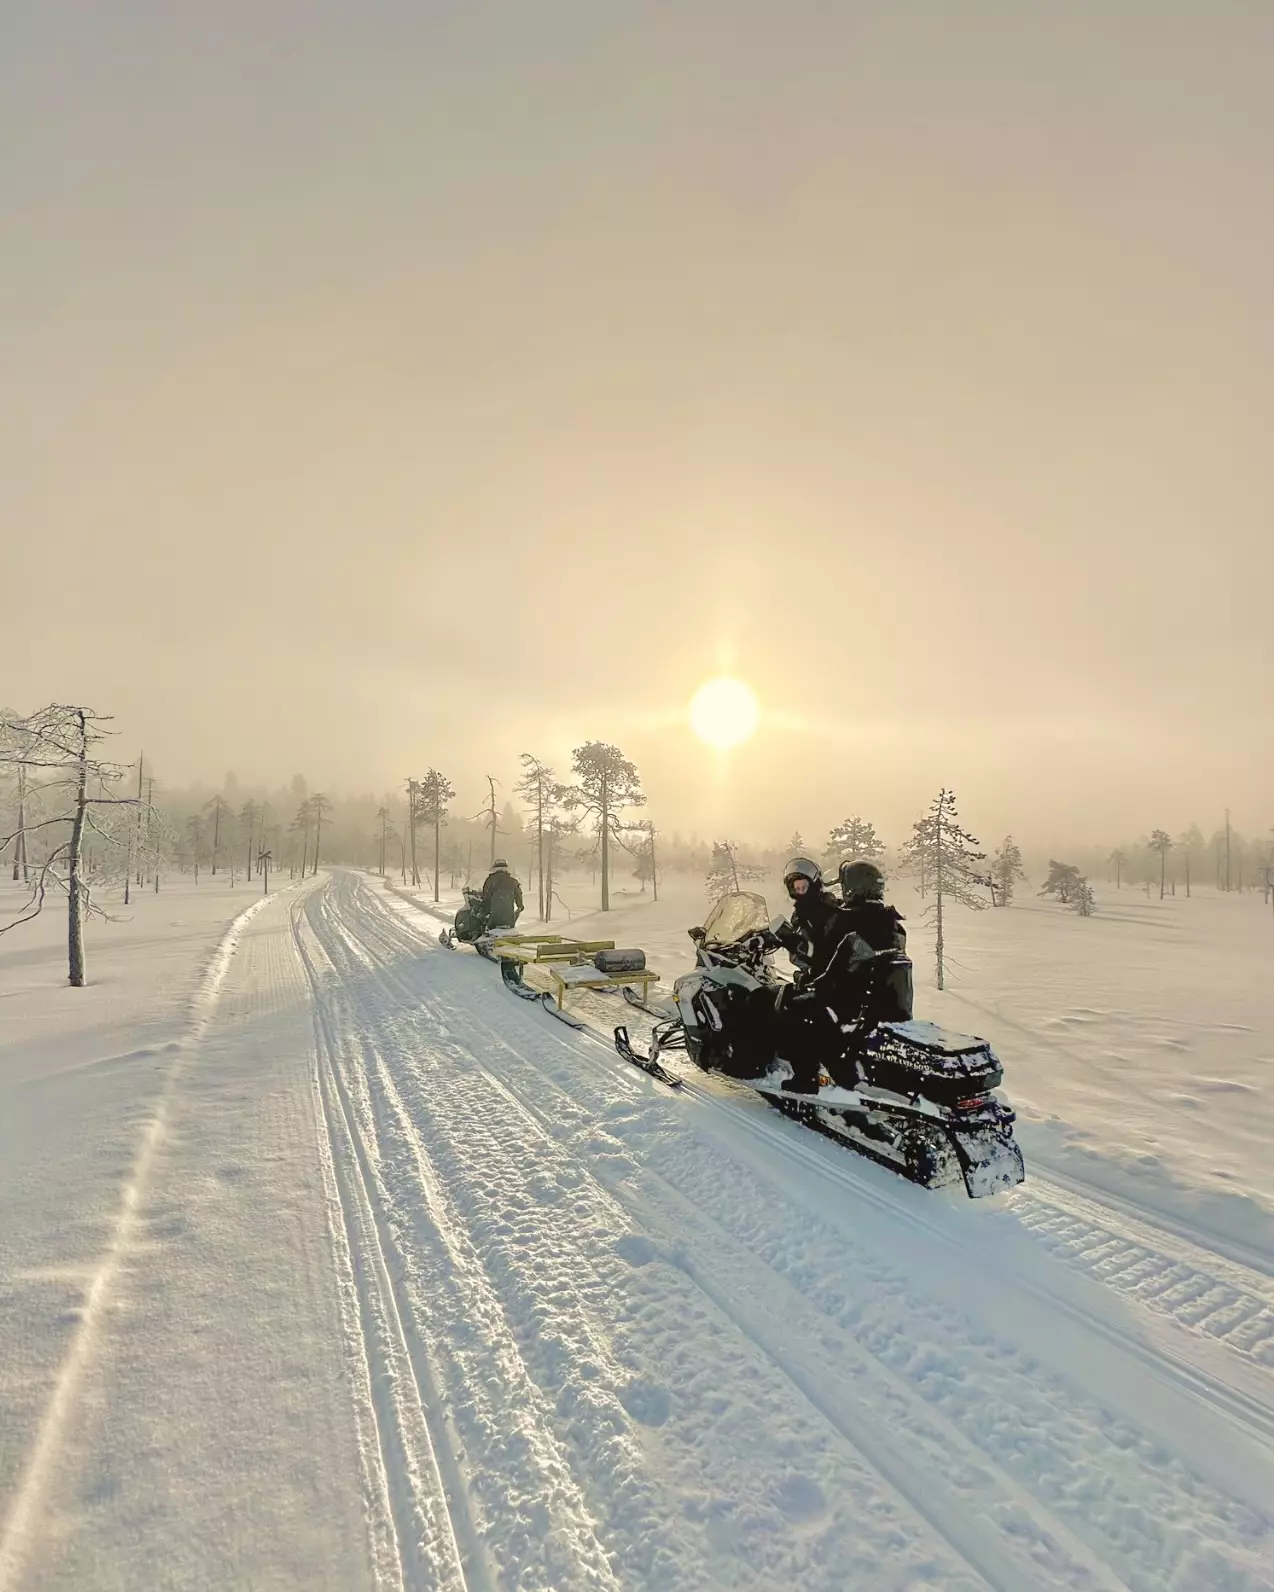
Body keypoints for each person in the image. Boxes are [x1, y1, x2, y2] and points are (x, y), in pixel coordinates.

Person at [775, 857, 854, 1095]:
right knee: (788, 999)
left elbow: (822, 949)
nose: (799, 891)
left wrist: (793, 943)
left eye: (803, 887)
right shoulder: (803, 911)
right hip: (818, 975)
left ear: (815, 884)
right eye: (796, 888)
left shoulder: (825, 909)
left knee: (795, 1013)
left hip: (830, 978)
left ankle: (806, 1077)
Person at [480, 858, 524, 930]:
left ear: (495, 868)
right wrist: (520, 906)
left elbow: (486, 898)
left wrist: (483, 910)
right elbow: (519, 898)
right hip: (509, 920)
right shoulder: (513, 882)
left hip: (493, 921)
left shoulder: (490, 881)